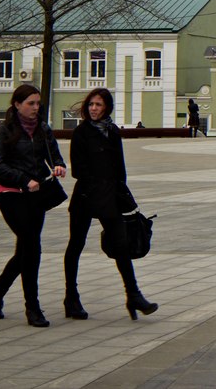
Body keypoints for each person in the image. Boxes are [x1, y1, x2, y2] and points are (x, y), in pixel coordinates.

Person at [63, 88, 158, 322]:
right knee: (76, 245)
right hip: (86, 196)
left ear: (107, 107)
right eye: (91, 105)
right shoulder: (81, 132)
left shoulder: (112, 131)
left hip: (110, 197)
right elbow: (78, 170)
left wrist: (123, 195)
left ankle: (133, 295)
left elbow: (120, 168)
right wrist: (101, 183)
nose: (94, 109)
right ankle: (71, 297)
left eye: (99, 105)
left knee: (121, 245)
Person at [0, 84, 66, 327]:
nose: (35, 107)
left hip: (36, 195)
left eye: (37, 103)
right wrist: (23, 179)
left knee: (25, 251)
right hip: (11, 194)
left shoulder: (43, 129)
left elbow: (54, 154)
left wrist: (59, 166)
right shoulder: (5, 130)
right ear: (17, 104)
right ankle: (33, 308)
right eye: (30, 103)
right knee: (32, 248)